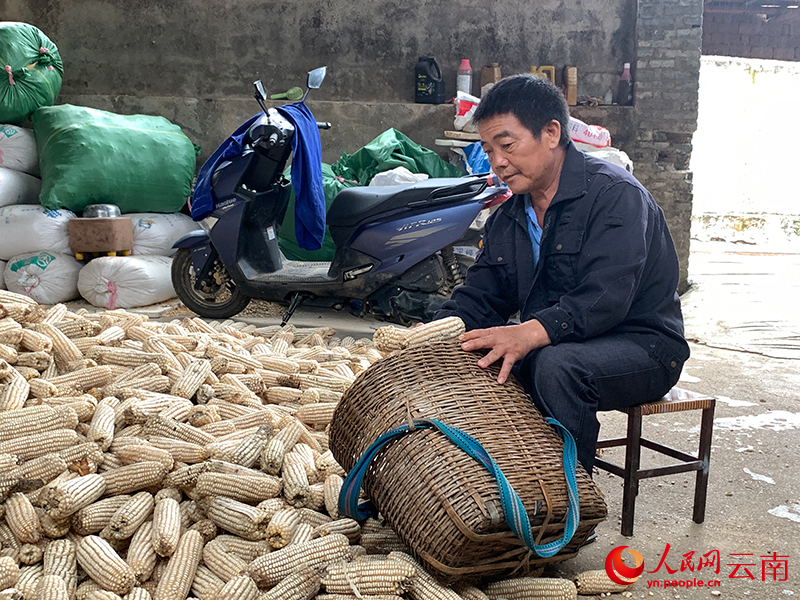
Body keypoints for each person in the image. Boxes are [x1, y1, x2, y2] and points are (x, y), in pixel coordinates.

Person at [434, 74, 690, 473]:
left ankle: (569, 502)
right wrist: (432, 337)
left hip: (645, 346)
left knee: (554, 366)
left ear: (551, 133)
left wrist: (525, 334)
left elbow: (605, 298)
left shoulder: (615, 196)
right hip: (559, 343)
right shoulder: (508, 218)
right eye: (488, 150)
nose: (497, 161)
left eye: (507, 145)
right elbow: (480, 296)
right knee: (482, 358)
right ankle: (509, 482)